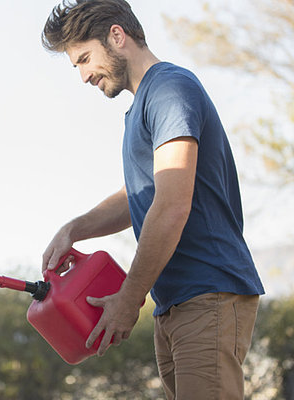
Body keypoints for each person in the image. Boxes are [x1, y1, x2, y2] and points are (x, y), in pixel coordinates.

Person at [40, 1, 264, 399]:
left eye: (84, 59)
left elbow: (172, 204)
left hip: (206, 294)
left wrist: (129, 298)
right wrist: (74, 228)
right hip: (176, 304)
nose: (83, 75)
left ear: (116, 35)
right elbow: (142, 195)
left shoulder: (169, 88)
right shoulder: (141, 108)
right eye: (76, 65)